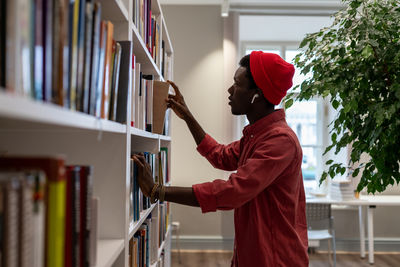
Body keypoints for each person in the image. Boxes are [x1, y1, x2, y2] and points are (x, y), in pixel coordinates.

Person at [132, 51, 309, 266]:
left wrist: (157, 191)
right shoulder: (257, 136)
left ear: (257, 95)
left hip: (274, 258)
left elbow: (232, 192)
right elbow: (221, 156)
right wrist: (187, 116)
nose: (230, 90)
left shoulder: (280, 140)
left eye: (237, 84)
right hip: (252, 253)